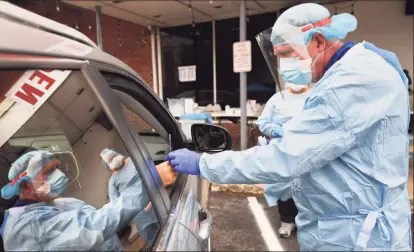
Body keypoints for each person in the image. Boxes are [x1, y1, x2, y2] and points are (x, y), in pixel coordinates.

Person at [166, 3, 411, 251]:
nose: (284, 65)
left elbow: (284, 159)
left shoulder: (351, 81)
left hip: (357, 237)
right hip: (351, 227)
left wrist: (203, 163)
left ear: (318, 41)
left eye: (287, 53)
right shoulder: (359, 69)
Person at [0, 150, 149, 251]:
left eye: (57, 167)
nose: (60, 175)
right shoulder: (26, 226)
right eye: (49, 171)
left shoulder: (54, 204)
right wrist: (147, 184)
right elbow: (94, 226)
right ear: (25, 185)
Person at [256, 82, 311, 237]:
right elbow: (263, 122)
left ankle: (307, 222)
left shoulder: (315, 96)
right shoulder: (277, 99)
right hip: (283, 149)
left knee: (309, 186)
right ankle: (287, 221)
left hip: (308, 150)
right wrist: (276, 130)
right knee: (283, 186)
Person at [101, 148, 159, 247]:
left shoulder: (134, 161)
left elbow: (155, 173)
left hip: (157, 202)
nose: (113, 160)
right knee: (156, 243)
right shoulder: (113, 181)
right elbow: (115, 205)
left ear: (118, 154)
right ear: (108, 166)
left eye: (113, 157)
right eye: (110, 160)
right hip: (141, 216)